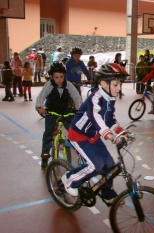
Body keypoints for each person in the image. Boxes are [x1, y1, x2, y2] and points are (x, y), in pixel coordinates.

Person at [61, 63, 130, 199]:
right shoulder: (95, 98)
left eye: (120, 85)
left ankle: (107, 193)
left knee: (109, 164)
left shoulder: (109, 98)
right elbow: (96, 119)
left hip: (92, 136)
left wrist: (120, 131)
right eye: (116, 85)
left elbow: (109, 120)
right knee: (95, 165)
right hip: (79, 135)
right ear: (104, 83)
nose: (119, 88)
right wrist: (110, 136)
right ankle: (69, 180)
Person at [35, 61, 82, 169]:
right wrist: (39, 107)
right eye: (56, 77)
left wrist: (79, 109)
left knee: (74, 130)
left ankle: (80, 152)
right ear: (51, 76)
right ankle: (45, 157)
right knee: (48, 133)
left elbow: (76, 97)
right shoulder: (49, 85)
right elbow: (41, 97)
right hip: (51, 112)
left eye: (61, 77)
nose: (59, 80)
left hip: (66, 111)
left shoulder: (68, 85)